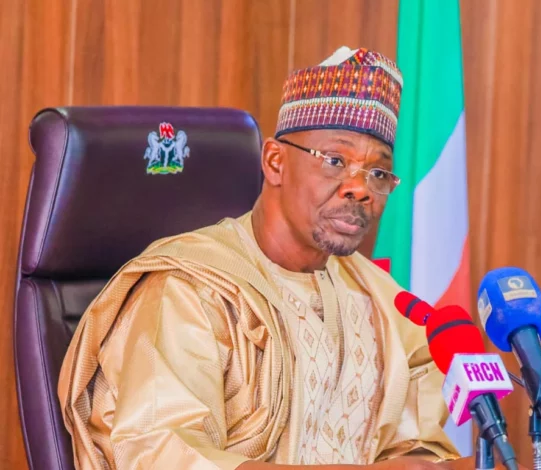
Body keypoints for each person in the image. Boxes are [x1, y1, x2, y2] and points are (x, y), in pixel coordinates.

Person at [58, 46, 483, 470]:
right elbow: (164, 456)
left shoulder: (383, 301)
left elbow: (419, 452)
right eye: (335, 161)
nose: (360, 189)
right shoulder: (190, 289)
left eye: (378, 173)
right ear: (275, 162)